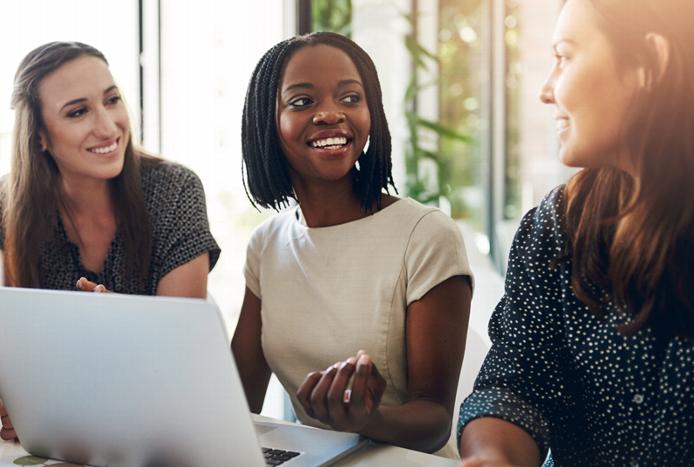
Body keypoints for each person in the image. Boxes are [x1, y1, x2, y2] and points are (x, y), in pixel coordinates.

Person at [458, 0, 694, 465]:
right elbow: (515, 387)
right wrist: (493, 457)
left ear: (649, 64)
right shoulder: (557, 227)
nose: (546, 91)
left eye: (565, 56)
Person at [232, 32, 473, 456]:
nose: (330, 114)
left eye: (349, 97)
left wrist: (369, 419)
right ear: (265, 122)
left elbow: (435, 420)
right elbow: (235, 403)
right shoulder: (266, 245)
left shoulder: (426, 235)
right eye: (303, 101)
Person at [0, 41, 220, 441]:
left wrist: (122, 331)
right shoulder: (7, 206)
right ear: (39, 138)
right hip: (60, 440)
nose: (108, 126)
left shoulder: (174, 191)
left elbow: (180, 361)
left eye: (112, 99)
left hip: (163, 434)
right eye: (78, 111)